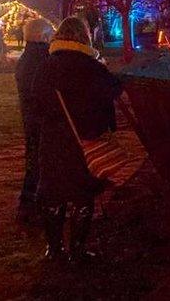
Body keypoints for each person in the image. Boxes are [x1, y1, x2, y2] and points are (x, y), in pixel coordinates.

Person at [34, 16, 122, 262]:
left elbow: (36, 100)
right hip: (85, 138)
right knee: (82, 194)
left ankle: (54, 249)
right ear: (84, 37)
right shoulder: (92, 67)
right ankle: (78, 249)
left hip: (53, 139)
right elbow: (114, 89)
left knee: (54, 192)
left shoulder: (46, 66)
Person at [14, 18, 55, 224]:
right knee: (40, 162)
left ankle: (29, 203)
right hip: (42, 119)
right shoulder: (43, 61)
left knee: (34, 160)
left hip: (30, 118)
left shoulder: (26, 59)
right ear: (44, 37)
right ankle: (33, 204)